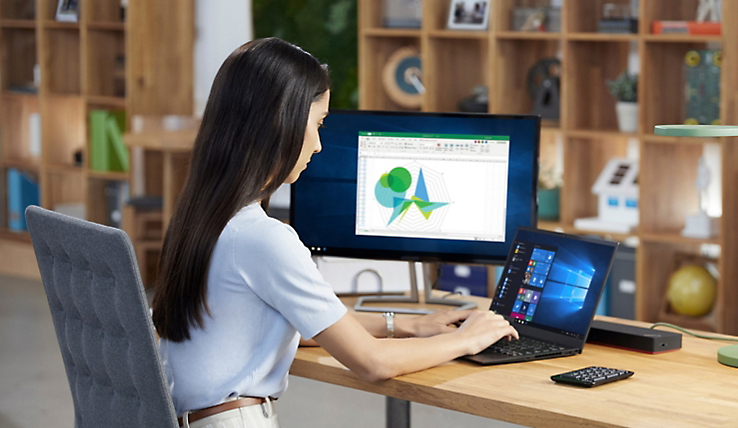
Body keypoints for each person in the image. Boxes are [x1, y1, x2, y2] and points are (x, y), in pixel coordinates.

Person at [150, 38, 518, 428]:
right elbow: (372, 364)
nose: (320, 145)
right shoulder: (263, 238)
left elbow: (301, 319)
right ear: (281, 121)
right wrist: (469, 338)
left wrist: (407, 324)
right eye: (318, 123)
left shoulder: (201, 217)